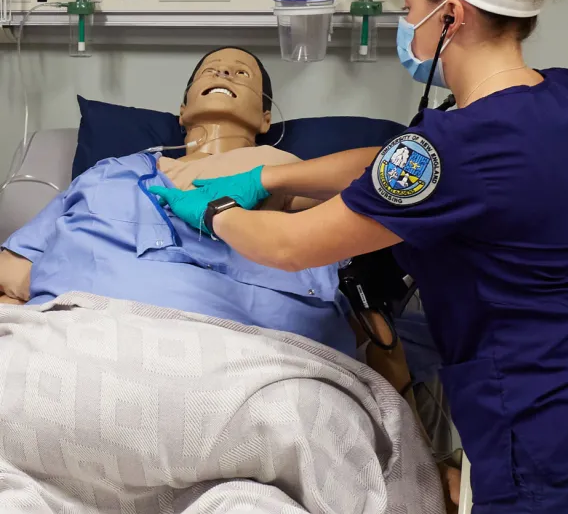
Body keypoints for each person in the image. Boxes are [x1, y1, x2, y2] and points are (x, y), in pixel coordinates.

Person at [157, 0, 568, 512]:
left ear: (451, 16)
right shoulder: (566, 95)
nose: (405, 26)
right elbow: (395, 162)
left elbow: (293, 247)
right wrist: (274, 173)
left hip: (545, 426)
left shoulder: (458, 151)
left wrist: (212, 208)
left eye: (409, 10)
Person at [0, 47, 356, 356]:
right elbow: (11, 273)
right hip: (71, 341)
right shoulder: (109, 174)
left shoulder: (295, 184)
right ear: (182, 110)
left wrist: (268, 173)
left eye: (241, 73)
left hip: (250, 357)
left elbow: (391, 186)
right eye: (210, 71)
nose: (224, 72)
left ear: (266, 118)